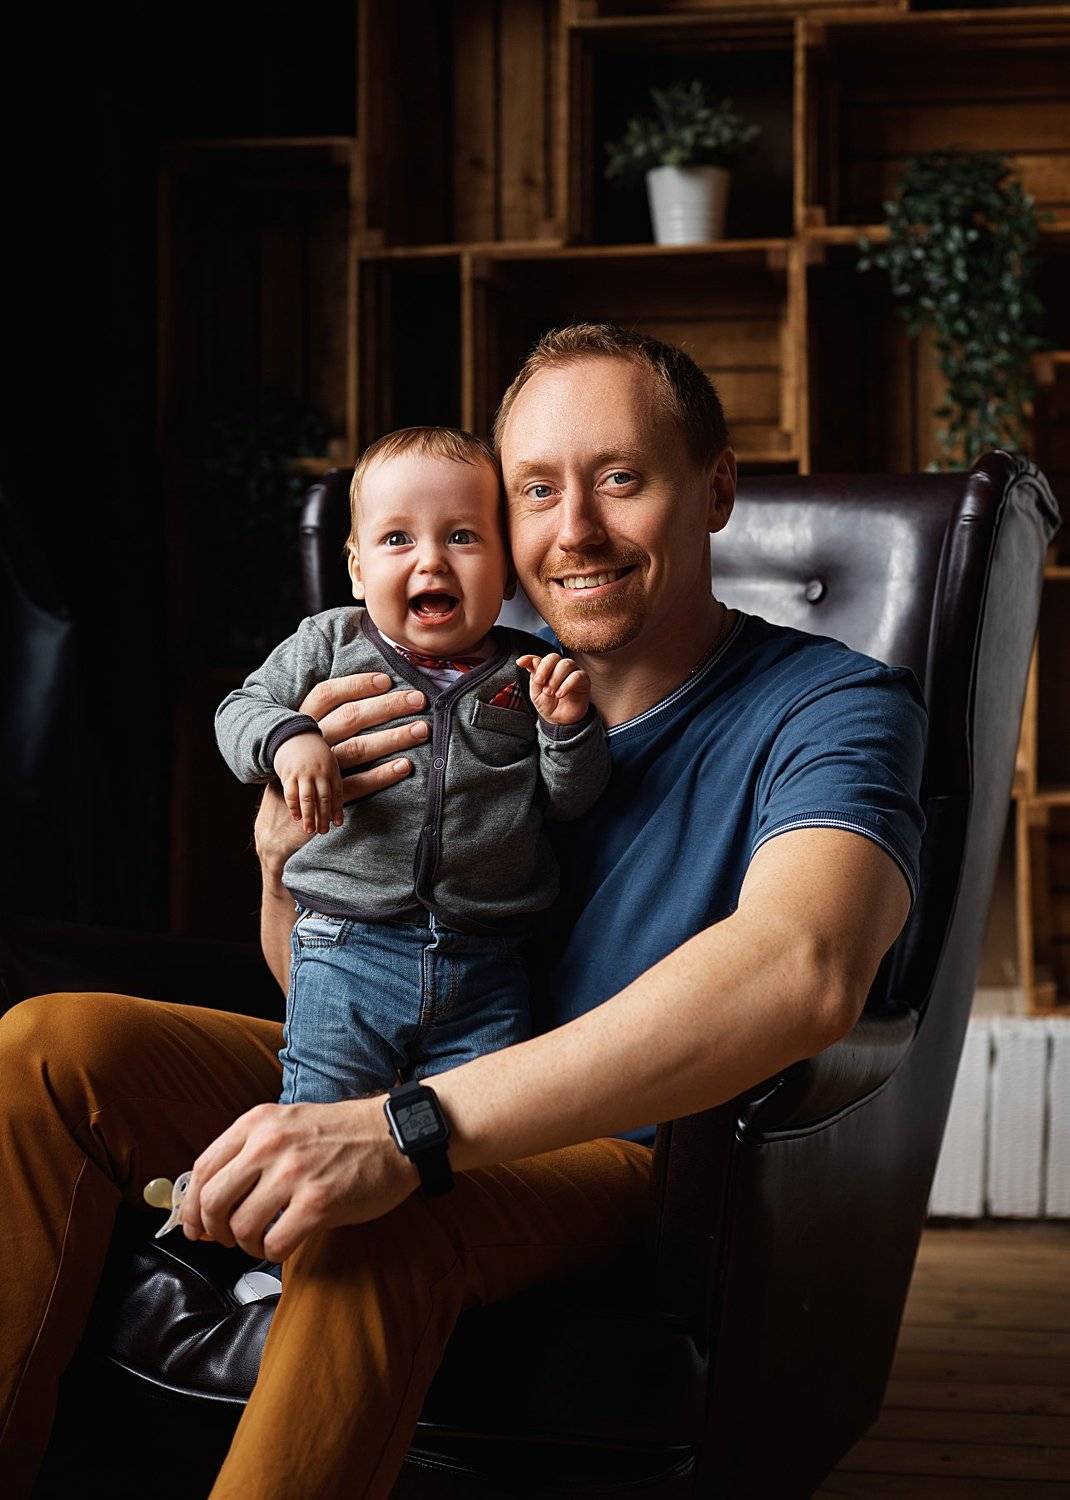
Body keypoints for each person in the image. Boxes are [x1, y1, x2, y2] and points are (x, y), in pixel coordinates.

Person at [0, 324, 925, 1499]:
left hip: (614, 1149)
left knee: (383, 1213)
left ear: (715, 490)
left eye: (619, 479)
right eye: (535, 490)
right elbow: (321, 978)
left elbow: (803, 965)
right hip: (403, 1064)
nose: (572, 530)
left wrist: (403, 1132)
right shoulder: (448, 680)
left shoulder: (833, 706)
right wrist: (283, 864)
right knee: (53, 1049)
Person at [214, 425, 608, 1111]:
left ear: (507, 571)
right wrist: (289, 738)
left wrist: (566, 730)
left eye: (462, 536)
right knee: (323, 1120)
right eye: (397, 538)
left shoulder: (530, 671)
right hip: (346, 944)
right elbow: (237, 710)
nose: (431, 561)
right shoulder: (330, 643)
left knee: (482, 1138)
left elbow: (570, 801)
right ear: (357, 570)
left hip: (487, 960)